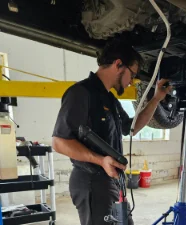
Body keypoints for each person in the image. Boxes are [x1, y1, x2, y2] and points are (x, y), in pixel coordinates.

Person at [51, 39, 171, 225]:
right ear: (118, 64)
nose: (132, 82)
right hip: (91, 182)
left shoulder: (109, 99)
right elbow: (59, 142)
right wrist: (101, 160)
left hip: (111, 181)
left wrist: (156, 99)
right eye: (132, 75)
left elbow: (132, 127)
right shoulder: (81, 93)